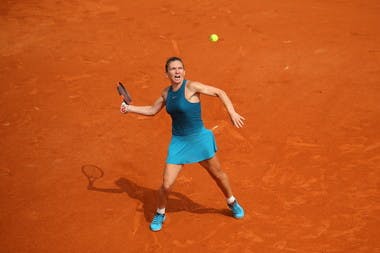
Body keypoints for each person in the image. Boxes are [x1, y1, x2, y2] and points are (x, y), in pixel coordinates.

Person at [120, 56, 245, 232]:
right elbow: (152, 110)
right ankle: (160, 213)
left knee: (218, 175)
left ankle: (232, 201)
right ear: (167, 73)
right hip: (179, 142)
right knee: (166, 184)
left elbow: (219, 92)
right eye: (173, 69)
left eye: (180, 68)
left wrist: (232, 112)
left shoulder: (191, 87)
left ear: (184, 71)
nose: (177, 71)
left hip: (199, 139)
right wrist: (129, 108)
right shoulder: (166, 93)